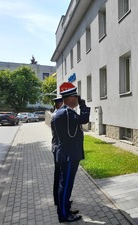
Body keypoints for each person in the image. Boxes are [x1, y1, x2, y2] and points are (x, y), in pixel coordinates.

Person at [52, 87, 90, 222]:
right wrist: (83, 105)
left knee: (66, 185)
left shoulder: (64, 112)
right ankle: (64, 215)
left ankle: (65, 208)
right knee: (66, 185)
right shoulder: (67, 113)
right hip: (69, 156)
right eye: (76, 97)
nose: (77, 100)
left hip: (67, 154)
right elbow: (84, 119)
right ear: (70, 98)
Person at [50, 95, 63, 206]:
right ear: (59, 104)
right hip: (59, 148)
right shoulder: (57, 115)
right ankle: (59, 199)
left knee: (58, 175)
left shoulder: (54, 114)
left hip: (55, 147)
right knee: (59, 175)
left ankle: (58, 198)